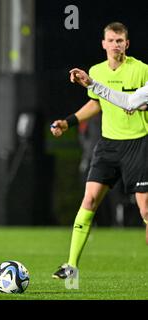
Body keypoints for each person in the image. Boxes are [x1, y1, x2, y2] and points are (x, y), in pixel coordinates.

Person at [50, 22, 148, 279]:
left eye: (120, 40)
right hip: (108, 144)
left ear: (127, 44)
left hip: (138, 143)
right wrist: (68, 121)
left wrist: (94, 84)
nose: (116, 44)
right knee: (89, 199)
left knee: (146, 210)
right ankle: (71, 266)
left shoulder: (141, 70)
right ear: (103, 44)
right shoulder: (96, 71)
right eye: (111, 40)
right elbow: (97, 105)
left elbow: (131, 102)